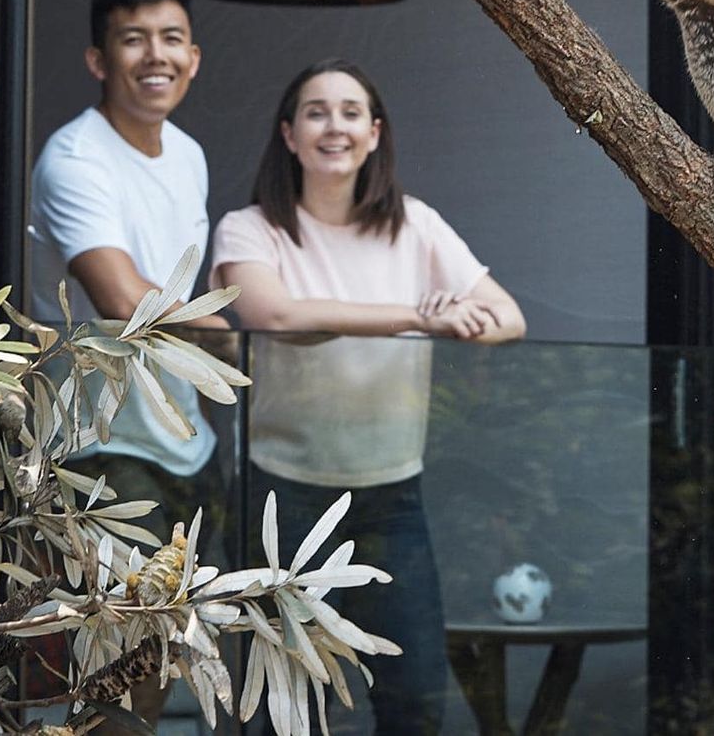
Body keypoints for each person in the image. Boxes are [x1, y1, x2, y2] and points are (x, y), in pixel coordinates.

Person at [210, 57, 526, 735]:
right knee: (285, 707)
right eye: (317, 111)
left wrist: (463, 318)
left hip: (392, 497)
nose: (335, 125)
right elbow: (276, 316)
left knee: (415, 698)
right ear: (289, 134)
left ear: (375, 132)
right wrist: (418, 315)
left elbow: (510, 317)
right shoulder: (250, 227)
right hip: (281, 497)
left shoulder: (416, 224)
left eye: (351, 112)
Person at [30, 0, 226, 733]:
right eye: (133, 39)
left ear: (193, 56)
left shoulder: (188, 154)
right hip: (96, 447)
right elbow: (123, 300)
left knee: (156, 661)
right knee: (98, 665)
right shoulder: (73, 159)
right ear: (98, 59)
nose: (156, 56)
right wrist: (234, 326)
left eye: (172, 38)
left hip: (181, 442)